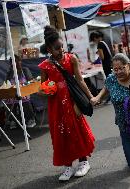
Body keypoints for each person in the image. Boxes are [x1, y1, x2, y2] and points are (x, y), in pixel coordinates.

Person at [38, 26, 95, 181]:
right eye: (57, 48)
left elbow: (80, 80)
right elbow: (42, 88)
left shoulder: (72, 58)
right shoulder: (45, 66)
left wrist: (91, 97)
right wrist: (45, 91)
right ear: (49, 49)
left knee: (77, 129)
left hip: (72, 102)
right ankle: (68, 166)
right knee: (61, 133)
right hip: (56, 106)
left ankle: (84, 162)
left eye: (61, 46)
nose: (61, 49)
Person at [5, 54, 36, 128]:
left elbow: (31, 81)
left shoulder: (25, 70)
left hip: (24, 91)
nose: (15, 63)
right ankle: (13, 120)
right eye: (13, 62)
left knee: (24, 98)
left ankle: (31, 119)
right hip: (13, 92)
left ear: (20, 61)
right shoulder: (9, 73)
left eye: (17, 61)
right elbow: (7, 83)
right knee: (8, 100)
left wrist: (23, 84)